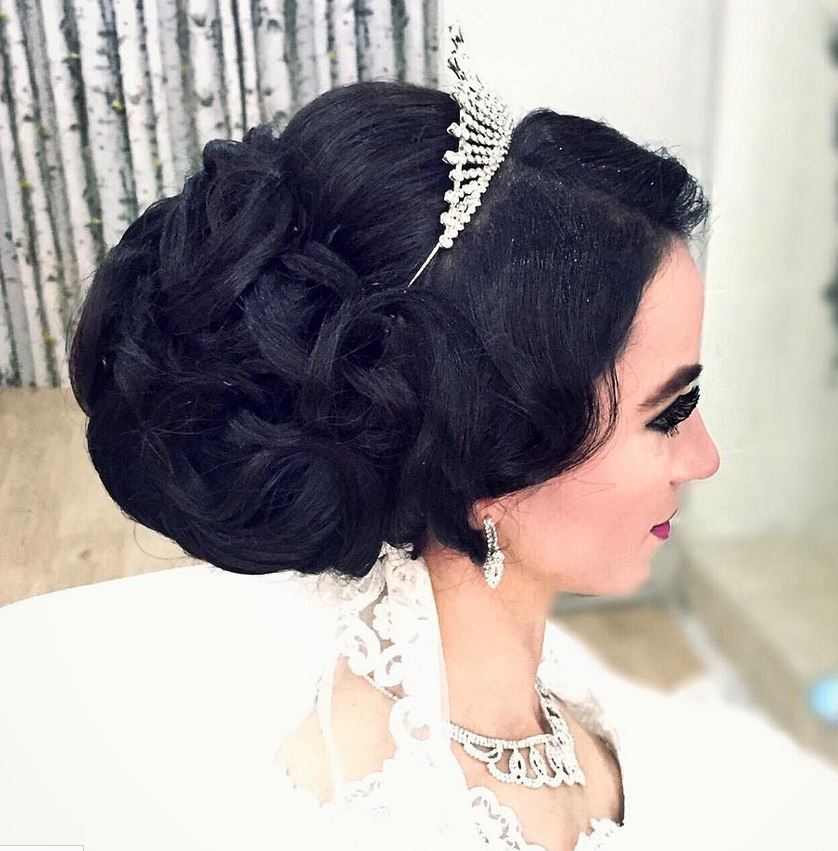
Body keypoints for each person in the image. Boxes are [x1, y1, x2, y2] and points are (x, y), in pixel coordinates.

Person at [1, 22, 837, 851]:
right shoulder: (410, 822)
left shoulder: (518, 693)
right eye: (668, 413)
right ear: (492, 460)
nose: (704, 459)